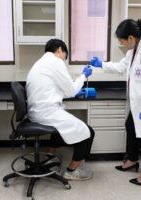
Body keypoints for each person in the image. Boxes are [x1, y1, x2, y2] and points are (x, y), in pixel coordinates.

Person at [89, 19, 141, 185]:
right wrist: (101, 65)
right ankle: (132, 160)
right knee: (130, 126)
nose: (120, 44)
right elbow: (121, 67)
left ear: (130, 37)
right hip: (140, 102)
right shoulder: (134, 50)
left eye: (121, 40)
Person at [26, 39, 95, 181]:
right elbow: (70, 90)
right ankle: (71, 171)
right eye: (65, 56)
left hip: (36, 112)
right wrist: (83, 76)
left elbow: (51, 88)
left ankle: (50, 159)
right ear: (59, 50)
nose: (64, 60)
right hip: (47, 111)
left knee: (60, 127)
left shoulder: (40, 62)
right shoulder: (56, 61)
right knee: (87, 132)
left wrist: (73, 91)